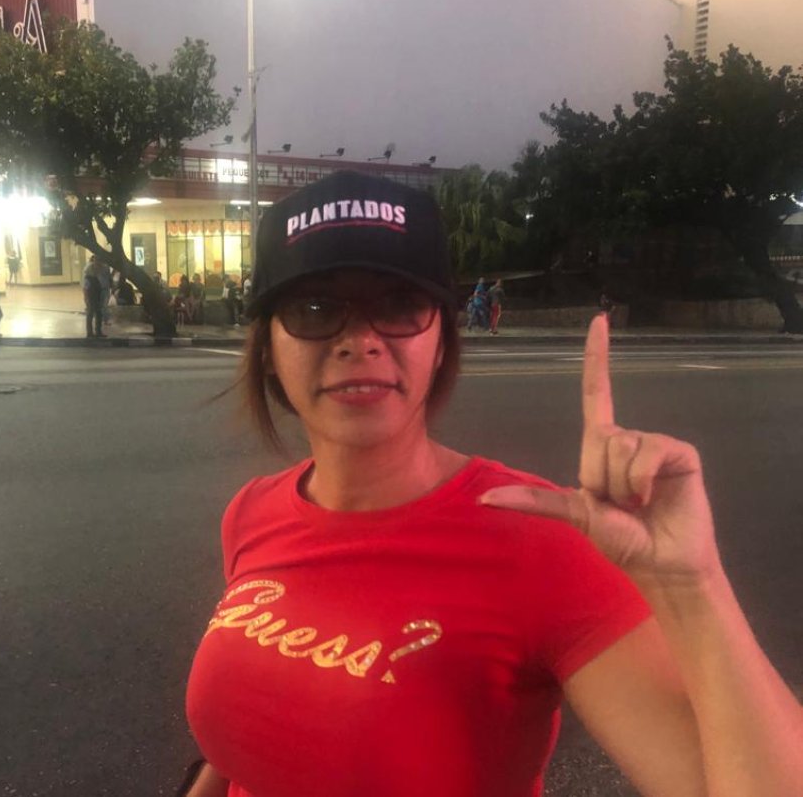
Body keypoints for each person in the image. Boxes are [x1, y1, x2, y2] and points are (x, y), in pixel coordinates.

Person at [182, 171, 803, 797]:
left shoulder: (540, 543)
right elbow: (242, 745)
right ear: (268, 348)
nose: (360, 341)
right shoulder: (252, 511)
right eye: (314, 310)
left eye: (399, 305)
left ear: (440, 342)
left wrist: (693, 586)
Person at [83, 258, 105, 337]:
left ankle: (97, 331)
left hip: (96, 298)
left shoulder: (96, 278)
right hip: (91, 298)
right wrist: (86, 298)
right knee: (91, 314)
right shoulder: (88, 278)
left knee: (98, 314)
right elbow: (85, 289)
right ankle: (90, 332)